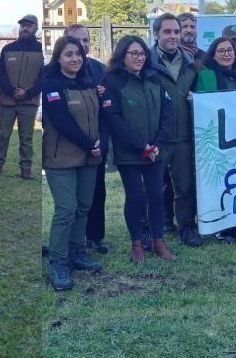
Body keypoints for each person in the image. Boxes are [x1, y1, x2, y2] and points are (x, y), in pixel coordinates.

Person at [101, 35, 176, 263]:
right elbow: (113, 119)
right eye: (134, 53)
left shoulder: (154, 78)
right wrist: (140, 145)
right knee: (135, 196)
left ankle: (158, 242)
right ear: (122, 55)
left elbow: (167, 112)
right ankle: (136, 244)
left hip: (155, 151)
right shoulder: (112, 82)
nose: (139, 58)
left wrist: (157, 144)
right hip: (130, 153)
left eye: (142, 53)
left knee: (156, 195)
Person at [43, 35, 104, 291]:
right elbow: (62, 122)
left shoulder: (88, 83)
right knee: (66, 208)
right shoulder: (50, 85)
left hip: (89, 158)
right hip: (62, 158)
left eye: (78, 54)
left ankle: (77, 252)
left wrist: (98, 143)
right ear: (58, 58)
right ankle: (58, 261)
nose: (75, 59)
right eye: (69, 54)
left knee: (83, 206)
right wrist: (90, 144)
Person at [195, 36, 236, 243]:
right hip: (218, 139)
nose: (226, 54)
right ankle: (220, 225)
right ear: (213, 54)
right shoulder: (206, 75)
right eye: (221, 50)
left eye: (229, 50)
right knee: (219, 182)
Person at [148, 13, 201, 247]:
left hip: (184, 135)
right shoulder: (147, 63)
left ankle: (186, 227)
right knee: (153, 187)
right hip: (157, 136)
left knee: (185, 186)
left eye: (176, 32)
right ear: (157, 33)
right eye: (167, 31)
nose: (173, 36)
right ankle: (151, 230)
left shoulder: (190, 64)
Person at [64, 24, 108, 253]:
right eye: (77, 40)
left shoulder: (99, 68)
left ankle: (96, 236)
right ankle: (72, 238)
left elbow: (110, 105)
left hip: (98, 140)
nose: (82, 45)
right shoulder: (56, 72)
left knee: (97, 191)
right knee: (71, 197)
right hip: (71, 144)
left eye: (86, 40)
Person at [0, 14, 43, 180]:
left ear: (36, 28)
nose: (24, 28)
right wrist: (11, 90)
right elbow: (0, 74)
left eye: (29, 25)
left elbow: (43, 77)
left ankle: (26, 168)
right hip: (7, 101)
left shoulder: (41, 50)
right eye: (22, 25)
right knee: (3, 135)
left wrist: (28, 93)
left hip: (29, 102)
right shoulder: (7, 49)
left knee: (26, 137)